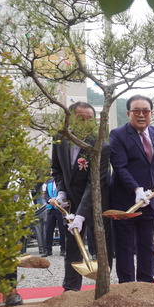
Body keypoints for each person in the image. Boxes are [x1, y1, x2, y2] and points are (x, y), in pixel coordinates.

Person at [50, 101, 112, 291]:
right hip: (71, 201)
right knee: (72, 246)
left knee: (103, 246)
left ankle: (103, 288)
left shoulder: (101, 146)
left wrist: (81, 214)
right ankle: (70, 289)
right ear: (70, 120)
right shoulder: (59, 139)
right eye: (80, 118)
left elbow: (94, 183)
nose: (85, 123)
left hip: (97, 202)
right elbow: (56, 169)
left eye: (89, 119)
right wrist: (61, 191)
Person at [109, 95, 154, 283]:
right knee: (125, 245)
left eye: (145, 111)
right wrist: (136, 189)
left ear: (151, 113)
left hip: (150, 200)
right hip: (125, 199)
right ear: (128, 113)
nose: (141, 115)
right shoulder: (118, 134)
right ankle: (127, 286)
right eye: (136, 111)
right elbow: (120, 167)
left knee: (147, 244)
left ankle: (146, 282)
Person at [42, 175, 67, 257]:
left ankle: (63, 248)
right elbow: (45, 194)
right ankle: (48, 250)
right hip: (50, 208)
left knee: (62, 229)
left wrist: (56, 201)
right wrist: (49, 200)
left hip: (60, 209)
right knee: (48, 229)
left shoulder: (62, 181)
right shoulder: (49, 182)